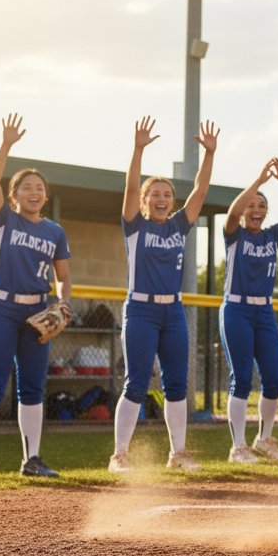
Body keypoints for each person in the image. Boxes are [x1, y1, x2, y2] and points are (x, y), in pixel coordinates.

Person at [0, 114, 72, 480]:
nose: (34, 191)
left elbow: (64, 276)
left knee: (33, 387)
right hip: (0, 309)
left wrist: (63, 304)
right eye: (26, 186)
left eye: (39, 187)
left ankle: (32, 460)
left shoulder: (55, 231)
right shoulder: (4, 220)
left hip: (37, 312)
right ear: (15, 195)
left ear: (45, 195)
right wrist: (7, 144)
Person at [109, 116, 218, 473]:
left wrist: (209, 154)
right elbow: (128, 190)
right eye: (154, 194)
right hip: (140, 310)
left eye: (167, 194)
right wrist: (138, 149)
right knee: (137, 381)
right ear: (144, 200)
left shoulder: (178, 224)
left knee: (176, 384)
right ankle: (120, 455)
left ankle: (178, 453)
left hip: (173, 313)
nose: (161, 198)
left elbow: (200, 191)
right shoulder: (135, 226)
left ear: (173, 201)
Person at [221, 158, 278, 463]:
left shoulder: (271, 235)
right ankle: (238, 447)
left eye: (261, 205)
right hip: (237, 310)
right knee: (241, 378)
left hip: (265, 313)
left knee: (274, 379)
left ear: (266, 212)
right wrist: (257, 182)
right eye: (250, 205)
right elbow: (232, 211)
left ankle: (263, 439)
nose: (255, 209)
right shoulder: (233, 233)